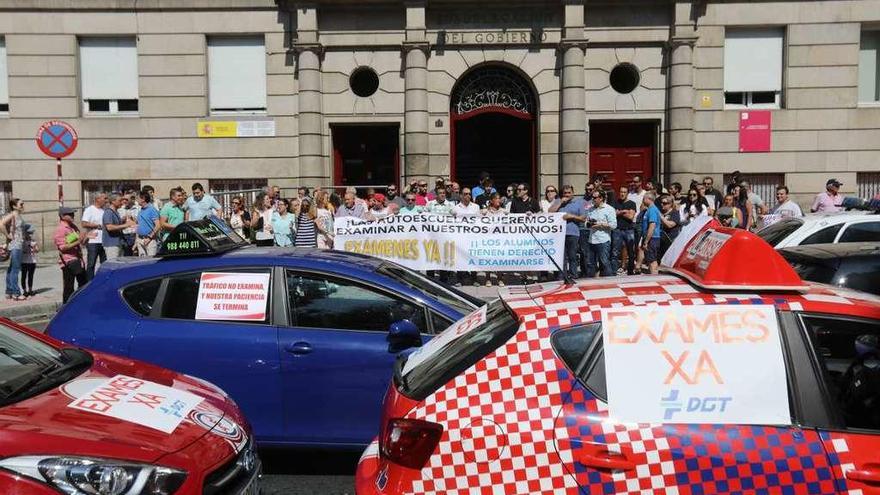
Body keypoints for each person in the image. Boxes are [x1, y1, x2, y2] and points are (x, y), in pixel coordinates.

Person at [549, 185, 586, 281]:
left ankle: (573, 275)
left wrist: (571, 216)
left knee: (572, 255)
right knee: (561, 256)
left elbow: (583, 218)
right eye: (565, 193)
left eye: (569, 193)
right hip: (559, 233)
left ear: (573, 193)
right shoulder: (558, 201)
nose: (567, 195)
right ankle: (562, 275)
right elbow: (550, 212)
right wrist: (560, 202)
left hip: (573, 233)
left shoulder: (578, 203)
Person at [54, 207, 87, 303]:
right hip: (68, 261)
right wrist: (78, 241)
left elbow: (79, 241)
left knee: (83, 284)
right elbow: (63, 247)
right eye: (70, 214)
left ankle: (79, 304)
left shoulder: (73, 227)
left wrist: (86, 237)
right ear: (62, 216)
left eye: (73, 214)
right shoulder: (61, 229)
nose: (73, 216)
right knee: (69, 286)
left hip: (77, 259)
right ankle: (66, 307)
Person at [585, 190, 617, 277]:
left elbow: (613, 225)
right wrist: (589, 224)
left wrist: (600, 224)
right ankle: (591, 282)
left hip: (603, 240)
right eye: (592, 197)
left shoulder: (609, 209)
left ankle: (609, 282)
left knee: (604, 262)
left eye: (595, 198)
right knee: (590, 263)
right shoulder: (591, 209)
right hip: (592, 240)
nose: (593, 199)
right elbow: (586, 222)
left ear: (601, 198)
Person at [0, 198, 25, 300]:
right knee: (15, 269)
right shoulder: (13, 214)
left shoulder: (18, 215)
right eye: (21, 204)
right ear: (14, 206)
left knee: (11, 269)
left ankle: (9, 291)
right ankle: (16, 293)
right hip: (16, 245)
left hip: (17, 244)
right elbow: (1, 224)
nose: (23, 206)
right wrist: (7, 235)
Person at [611, 185, 637, 275]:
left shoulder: (632, 203)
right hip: (617, 230)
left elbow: (630, 217)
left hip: (629, 230)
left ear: (627, 193)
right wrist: (624, 211)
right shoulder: (615, 202)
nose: (622, 194)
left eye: (624, 192)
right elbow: (613, 214)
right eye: (621, 192)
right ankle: (614, 271)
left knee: (631, 251)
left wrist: (619, 212)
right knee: (615, 251)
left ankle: (630, 270)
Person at [81, 193, 107, 281]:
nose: (106, 200)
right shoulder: (89, 210)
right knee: (91, 264)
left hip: (104, 240)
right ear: (98, 199)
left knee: (104, 263)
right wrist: (97, 226)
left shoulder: (104, 211)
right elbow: (84, 223)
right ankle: (89, 282)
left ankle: (102, 281)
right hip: (93, 241)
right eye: (104, 198)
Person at [102, 193, 136, 260]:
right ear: (113, 201)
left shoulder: (116, 212)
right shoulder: (108, 212)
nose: (122, 202)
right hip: (111, 244)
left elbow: (117, 225)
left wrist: (123, 221)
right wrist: (126, 225)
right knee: (113, 265)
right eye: (120, 200)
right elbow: (109, 227)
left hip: (118, 242)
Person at [640, 192, 662, 275]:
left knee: (652, 260)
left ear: (649, 199)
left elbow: (652, 226)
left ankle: (654, 278)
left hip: (652, 238)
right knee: (650, 259)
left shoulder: (652, 210)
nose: (642, 200)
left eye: (644, 198)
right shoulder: (650, 209)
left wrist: (646, 241)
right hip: (652, 238)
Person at [135, 191, 161, 256]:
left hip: (150, 241)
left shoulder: (152, 210)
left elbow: (158, 225)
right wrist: (136, 241)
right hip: (140, 240)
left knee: (150, 262)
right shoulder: (141, 210)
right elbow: (138, 226)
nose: (136, 200)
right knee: (141, 263)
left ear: (143, 199)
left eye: (138, 198)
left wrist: (149, 238)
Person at [658, 194, 682, 259]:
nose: (662, 204)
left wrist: (661, 217)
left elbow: (670, 225)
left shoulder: (674, 213)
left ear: (670, 204)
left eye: (664, 203)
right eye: (661, 203)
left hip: (670, 240)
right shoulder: (661, 212)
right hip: (660, 240)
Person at [20, 224, 38, 298]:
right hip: (24, 261)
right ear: (25, 233)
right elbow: (21, 250)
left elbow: (37, 250)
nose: (30, 235)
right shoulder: (22, 241)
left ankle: (30, 290)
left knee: (31, 276)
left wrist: (35, 249)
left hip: (32, 261)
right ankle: (24, 291)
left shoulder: (33, 241)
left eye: (31, 233)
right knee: (23, 276)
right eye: (29, 233)